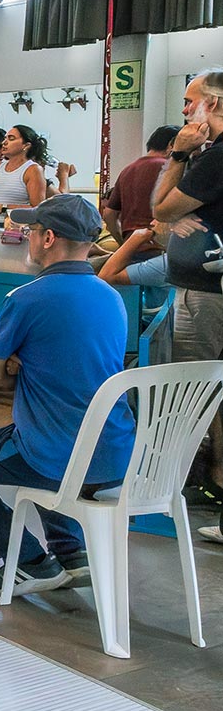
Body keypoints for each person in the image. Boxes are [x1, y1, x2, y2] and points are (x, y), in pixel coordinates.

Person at [0, 193, 135, 596]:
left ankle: (29, 562)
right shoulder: (111, 297)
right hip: (115, 453)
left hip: (55, 456)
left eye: (32, 231)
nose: (28, 238)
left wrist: (14, 367)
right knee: (33, 437)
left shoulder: (27, 297)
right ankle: (71, 552)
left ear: (48, 238)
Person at [152, 68, 223, 509]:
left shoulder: (214, 159)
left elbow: (161, 209)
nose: (183, 111)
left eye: (188, 101)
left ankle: (175, 481)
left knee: (195, 388)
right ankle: (215, 481)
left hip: (206, 292)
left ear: (210, 104)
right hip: (208, 286)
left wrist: (178, 154)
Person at [103, 124, 180, 243]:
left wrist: (123, 243)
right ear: (172, 145)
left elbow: (109, 215)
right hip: (158, 245)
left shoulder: (127, 170)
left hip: (131, 246)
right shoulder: (170, 169)